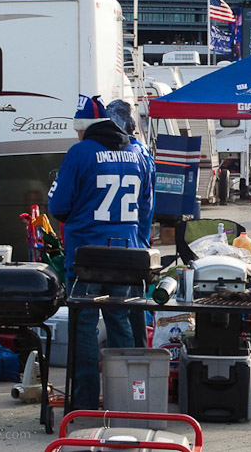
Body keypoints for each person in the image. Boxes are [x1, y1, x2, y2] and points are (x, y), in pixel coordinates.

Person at [48, 94, 153, 410]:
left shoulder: (81, 152)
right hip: (127, 254)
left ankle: (84, 402)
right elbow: (147, 208)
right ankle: (128, 401)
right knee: (121, 321)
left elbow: (58, 206)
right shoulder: (138, 153)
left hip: (87, 257)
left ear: (85, 127)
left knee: (83, 327)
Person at [106, 98, 156, 348]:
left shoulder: (120, 154)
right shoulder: (143, 153)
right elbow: (148, 204)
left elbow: (144, 205)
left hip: (124, 241)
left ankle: (129, 363)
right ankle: (141, 356)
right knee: (136, 307)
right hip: (139, 240)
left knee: (119, 311)